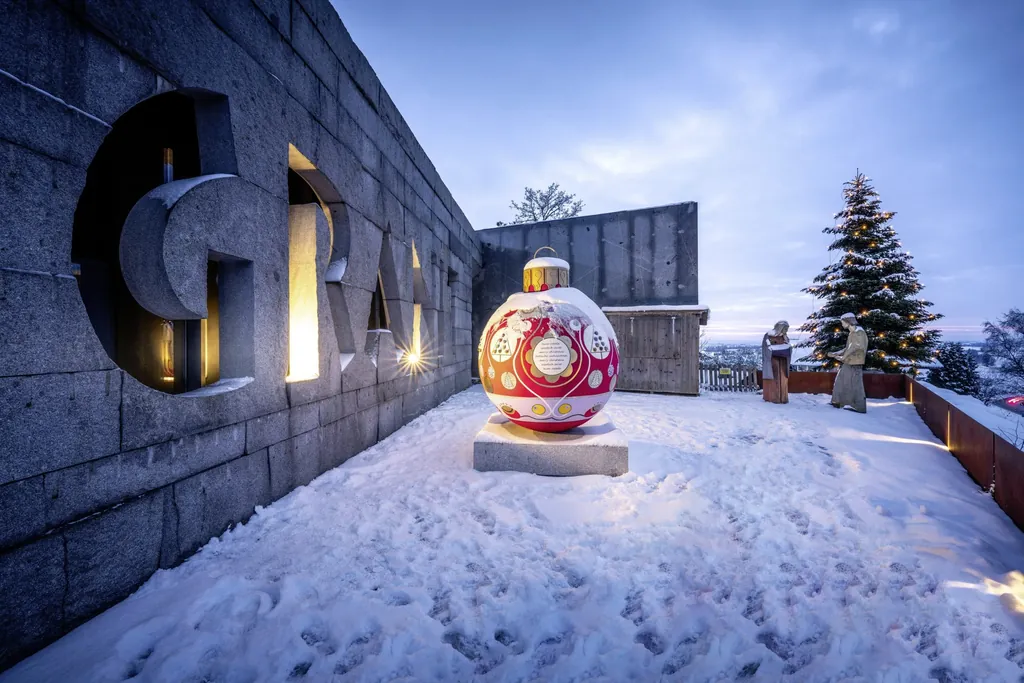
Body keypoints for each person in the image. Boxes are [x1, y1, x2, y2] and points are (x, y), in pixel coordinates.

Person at [829, 312, 868, 413]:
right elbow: (848, 348)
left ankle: (860, 407)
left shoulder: (859, 332)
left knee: (856, 385)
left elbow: (855, 347)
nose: (842, 324)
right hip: (849, 362)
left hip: (855, 363)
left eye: (842, 322)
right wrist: (835, 353)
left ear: (848, 322)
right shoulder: (852, 333)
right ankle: (837, 402)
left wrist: (843, 357)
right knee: (840, 381)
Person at [762, 320, 791, 403]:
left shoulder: (784, 337)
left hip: (783, 363)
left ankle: (783, 398)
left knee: (782, 381)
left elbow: (788, 345)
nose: (786, 331)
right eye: (785, 328)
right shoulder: (769, 335)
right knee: (774, 381)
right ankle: (774, 398)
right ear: (780, 328)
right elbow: (767, 348)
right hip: (772, 363)